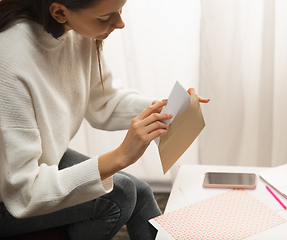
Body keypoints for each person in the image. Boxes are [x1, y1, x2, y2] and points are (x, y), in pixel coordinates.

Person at [0, 0, 210, 239]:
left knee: (139, 191)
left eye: (121, 10)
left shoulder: (76, 31)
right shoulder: (9, 62)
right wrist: (121, 155)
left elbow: (104, 102)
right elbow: (24, 193)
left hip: (42, 159)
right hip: (11, 191)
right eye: (105, 17)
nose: (120, 23)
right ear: (59, 12)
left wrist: (168, 110)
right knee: (120, 195)